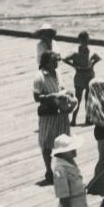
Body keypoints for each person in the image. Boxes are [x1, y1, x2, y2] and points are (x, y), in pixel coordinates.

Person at [34, 51, 75, 185]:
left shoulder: (57, 73)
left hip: (61, 113)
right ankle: (48, 170)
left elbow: (62, 87)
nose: (57, 62)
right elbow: (36, 97)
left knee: (64, 142)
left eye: (57, 60)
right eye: (54, 60)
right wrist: (52, 96)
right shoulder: (39, 77)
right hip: (49, 114)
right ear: (46, 62)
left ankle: (64, 170)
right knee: (47, 144)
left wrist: (67, 94)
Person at [61, 31, 101, 127]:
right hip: (80, 75)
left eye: (86, 41)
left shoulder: (91, 51)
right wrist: (74, 65)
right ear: (79, 41)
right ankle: (74, 120)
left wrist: (92, 63)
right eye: (83, 41)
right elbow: (64, 59)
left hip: (89, 74)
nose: (85, 43)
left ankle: (88, 118)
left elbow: (98, 58)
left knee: (88, 98)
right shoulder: (75, 52)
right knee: (78, 99)